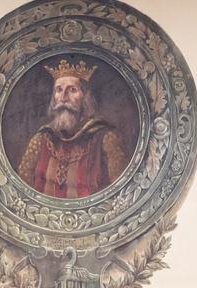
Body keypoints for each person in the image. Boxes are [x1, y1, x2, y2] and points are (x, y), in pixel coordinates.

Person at [16, 59, 129, 199]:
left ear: (85, 98)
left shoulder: (106, 138)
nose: (63, 98)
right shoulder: (41, 139)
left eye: (72, 90)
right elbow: (23, 187)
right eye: (59, 90)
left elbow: (120, 192)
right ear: (54, 98)